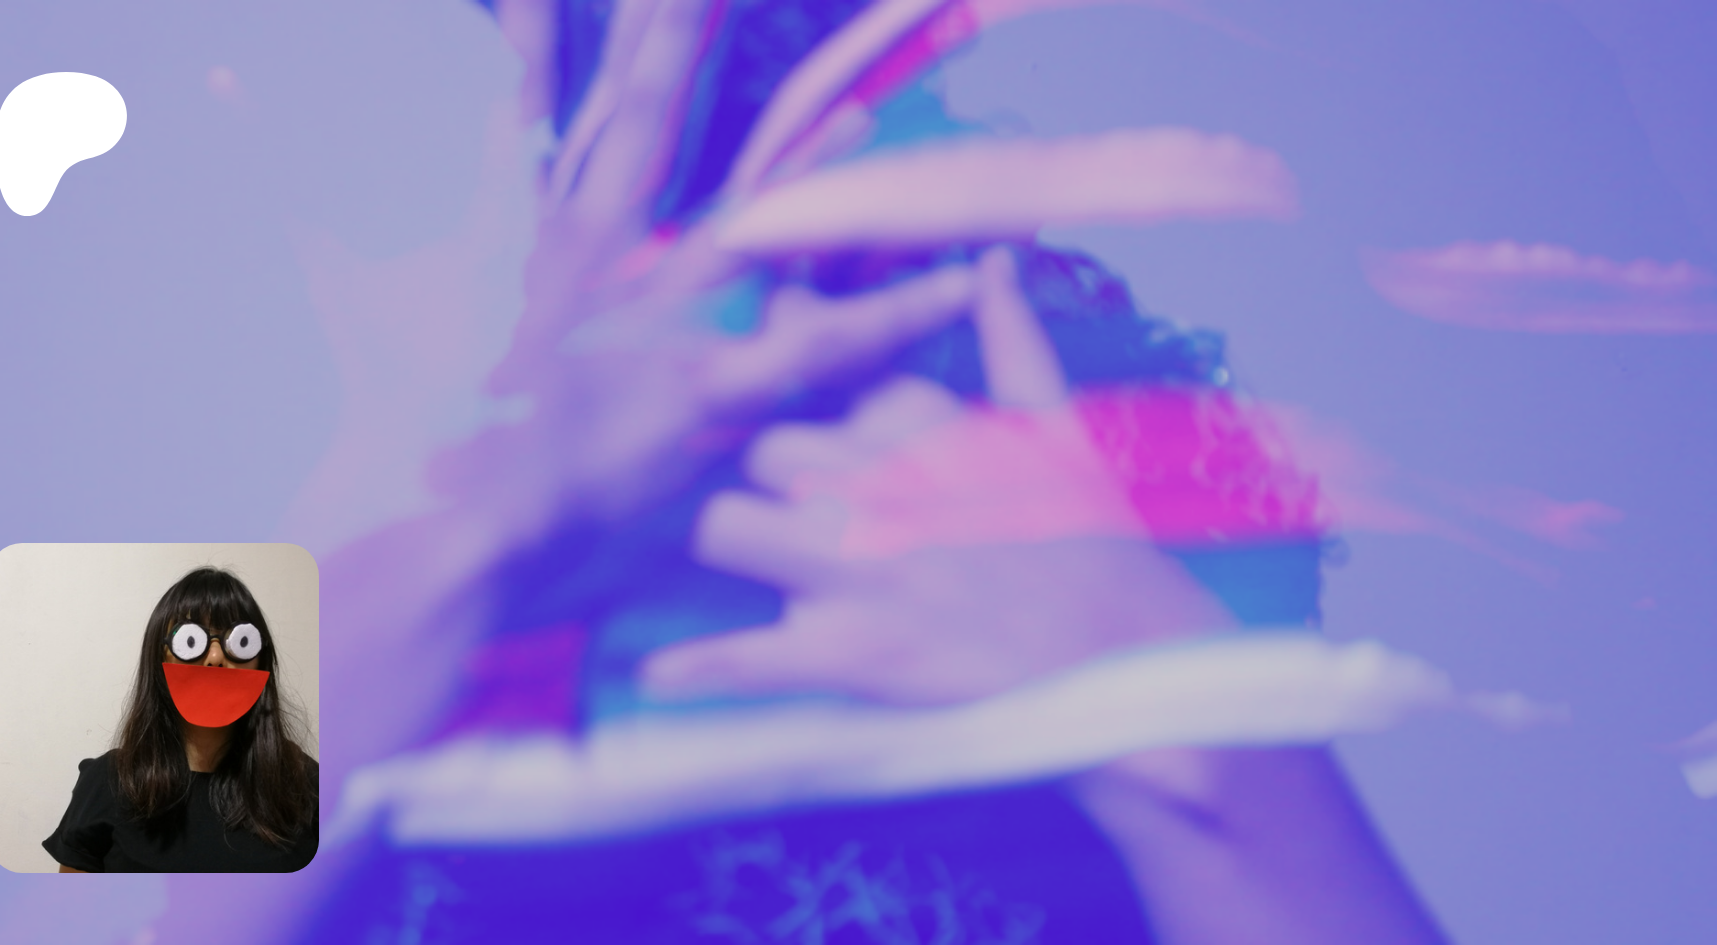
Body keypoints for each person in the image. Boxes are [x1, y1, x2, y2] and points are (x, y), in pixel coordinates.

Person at [159, 1, 1449, 940]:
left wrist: (1183, 723)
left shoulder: (1101, 451)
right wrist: (444, 526)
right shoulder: (279, 465)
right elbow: (101, 883)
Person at [43, 567, 318, 873]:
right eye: (192, 641)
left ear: (261, 661)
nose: (215, 657)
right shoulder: (107, 782)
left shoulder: (307, 785)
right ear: (159, 657)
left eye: (240, 641)